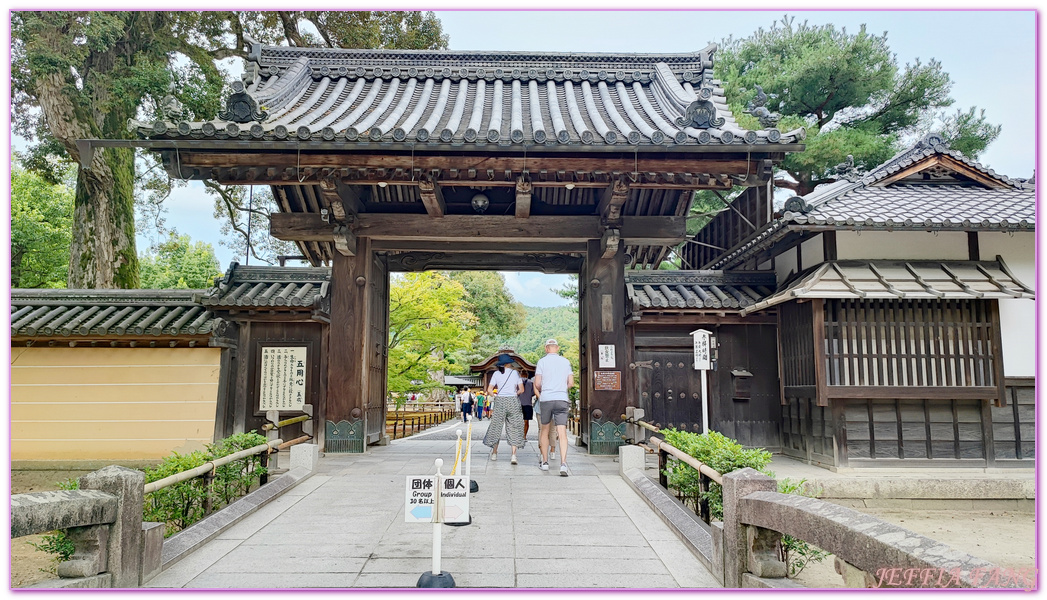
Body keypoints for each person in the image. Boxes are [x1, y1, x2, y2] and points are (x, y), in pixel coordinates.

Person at [534, 339, 574, 476]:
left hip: (546, 399)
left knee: (544, 430)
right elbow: (571, 383)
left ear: (546, 349)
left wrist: (546, 387)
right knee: (561, 432)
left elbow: (538, 383)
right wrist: (562, 388)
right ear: (557, 348)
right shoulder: (565, 362)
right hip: (562, 398)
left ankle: (545, 462)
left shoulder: (542, 362)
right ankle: (563, 464)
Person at [482, 354, 525, 464]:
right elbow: (522, 389)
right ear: (508, 363)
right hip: (513, 401)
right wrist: (515, 393)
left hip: (500, 400)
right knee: (514, 426)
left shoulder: (496, 374)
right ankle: (514, 455)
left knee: (496, 426)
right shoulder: (515, 373)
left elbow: (489, 389)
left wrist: (495, 396)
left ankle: (494, 453)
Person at [517, 372, 536, 439]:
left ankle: (518, 435)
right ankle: (524, 436)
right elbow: (533, 393)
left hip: (518, 403)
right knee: (526, 421)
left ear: (520, 375)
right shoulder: (531, 383)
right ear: (527, 375)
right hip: (528, 403)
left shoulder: (517, 382)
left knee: (517, 420)